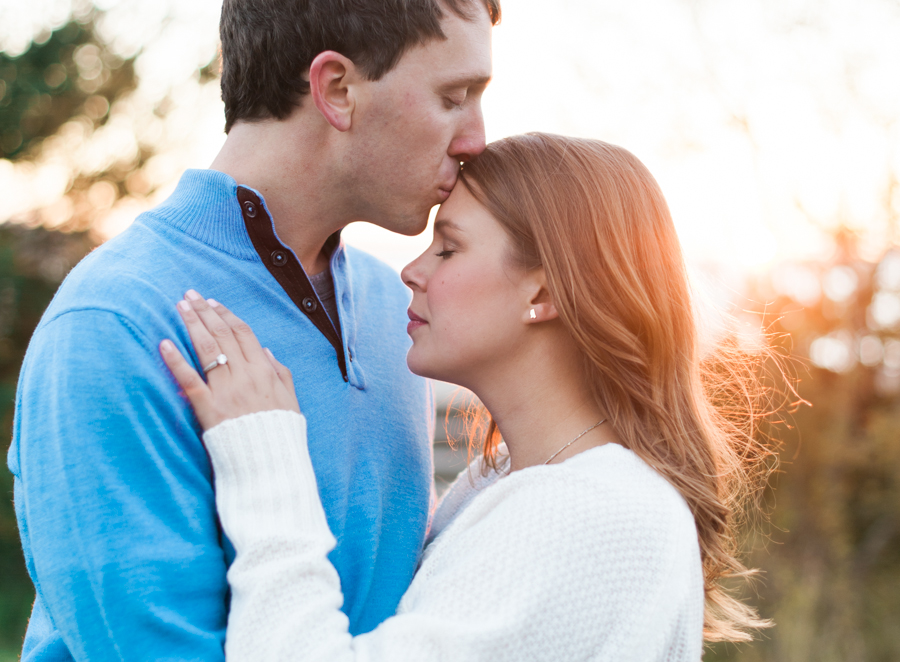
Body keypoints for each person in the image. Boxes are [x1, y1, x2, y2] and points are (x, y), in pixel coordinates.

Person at [8, 0, 500, 659]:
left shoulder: (398, 309)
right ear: (338, 89)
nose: (476, 139)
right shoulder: (116, 324)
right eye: (454, 96)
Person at [161, 133, 775, 661]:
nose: (413, 270)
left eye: (449, 248)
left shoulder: (594, 512)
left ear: (545, 290)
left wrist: (266, 465)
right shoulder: (511, 479)